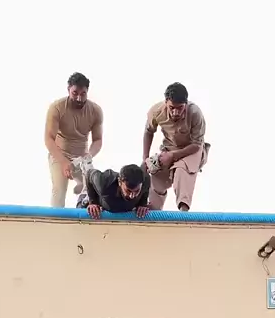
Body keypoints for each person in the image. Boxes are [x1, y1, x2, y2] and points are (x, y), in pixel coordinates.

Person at [143, 82, 209, 212]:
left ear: (186, 104)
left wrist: (173, 156)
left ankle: (183, 211)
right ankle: (154, 210)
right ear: (166, 102)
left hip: (191, 149)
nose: (175, 112)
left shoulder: (195, 113)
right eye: (172, 107)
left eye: (180, 108)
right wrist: (145, 159)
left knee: (181, 171)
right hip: (170, 147)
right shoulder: (156, 111)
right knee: (156, 174)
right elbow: (148, 132)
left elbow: (197, 145)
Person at [45, 72, 103, 208]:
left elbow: (98, 140)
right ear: (68, 90)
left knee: (91, 190)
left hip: (82, 158)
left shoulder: (95, 111)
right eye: (75, 93)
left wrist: (89, 155)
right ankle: (56, 219)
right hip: (59, 155)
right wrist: (63, 161)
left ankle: (81, 198)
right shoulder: (57, 108)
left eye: (83, 94)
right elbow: (48, 138)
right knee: (59, 190)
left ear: (87, 92)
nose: (79, 98)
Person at [77, 164, 150, 218]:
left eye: (136, 191)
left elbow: (147, 182)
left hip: (122, 205)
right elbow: (89, 174)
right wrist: (93, 202)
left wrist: (142, 204)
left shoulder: (145, 181)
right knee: (83, 207)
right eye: (128, 191)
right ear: (119, 182)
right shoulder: (104, 182)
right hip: (100, 199)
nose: (132, 196)